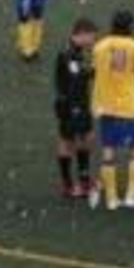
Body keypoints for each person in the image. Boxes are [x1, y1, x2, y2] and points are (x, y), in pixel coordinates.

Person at [89, 8, 134, 212]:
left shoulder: (99, 46)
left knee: (108, 149)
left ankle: (112, 199)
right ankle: (132, 196)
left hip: (105, 105)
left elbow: (94, 72)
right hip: (128, 105)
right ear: (131, 27)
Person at [53, 18, 98, 199]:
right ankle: (70, 184)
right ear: (81, 34)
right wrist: (97, 69)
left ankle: (81, 180)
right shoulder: (69, 54)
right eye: (91, 37)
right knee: (70, 140)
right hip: (73, 105)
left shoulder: (75, 52)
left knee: (82, 138)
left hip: (73, 103)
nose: (93, 41)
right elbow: (77, 78)